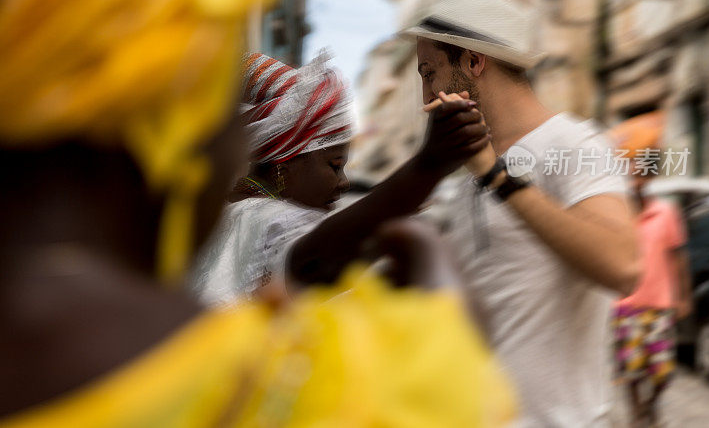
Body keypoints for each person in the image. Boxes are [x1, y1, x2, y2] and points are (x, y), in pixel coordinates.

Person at [0, 0, 515, 426]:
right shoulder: (307, 390)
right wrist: (446, 334)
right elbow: (316, 256)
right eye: (224, 75)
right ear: (164, 98)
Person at [402, 0, 640, 427]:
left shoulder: (573, 142)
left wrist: (497, 176)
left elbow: (623, 265)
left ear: (473, 61)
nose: (426, 95)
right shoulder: (473, 164)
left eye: (429, 72)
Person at [191, 49, 491, 305]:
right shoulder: (264, 218)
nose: (344, 182)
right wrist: (428, 165)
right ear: (285, 163)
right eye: (334, 165)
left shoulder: (217, 213)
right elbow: (316, 260)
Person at [610, 112, 692, 428]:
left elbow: (679, 258)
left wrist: (683, 297)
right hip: (625, 305)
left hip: (659, 305)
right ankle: (636, 416)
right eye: (631, 168)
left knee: (661, 371)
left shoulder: (667, 212)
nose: (637, 176)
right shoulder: (619, 213)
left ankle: (651, 403)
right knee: (630, 369)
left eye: (642, 169)